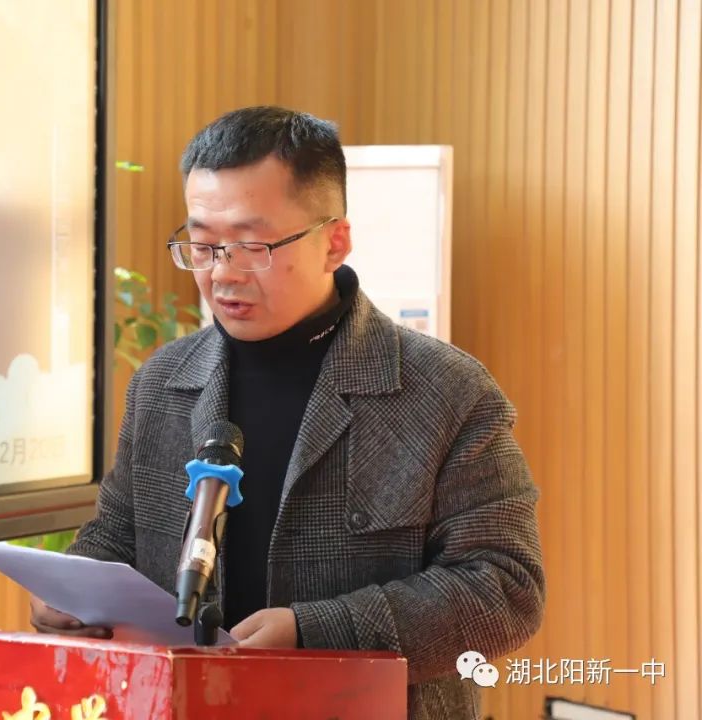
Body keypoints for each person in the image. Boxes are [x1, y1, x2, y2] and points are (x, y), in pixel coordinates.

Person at [31, 106, 545, 719]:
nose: (222, 274)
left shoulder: (444, 390)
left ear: (335, 242)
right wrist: (69, 587)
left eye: (253, 246)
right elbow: (118, 534)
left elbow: (504, 589)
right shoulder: (162, 382)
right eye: (203, 245)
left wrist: (314, 631)